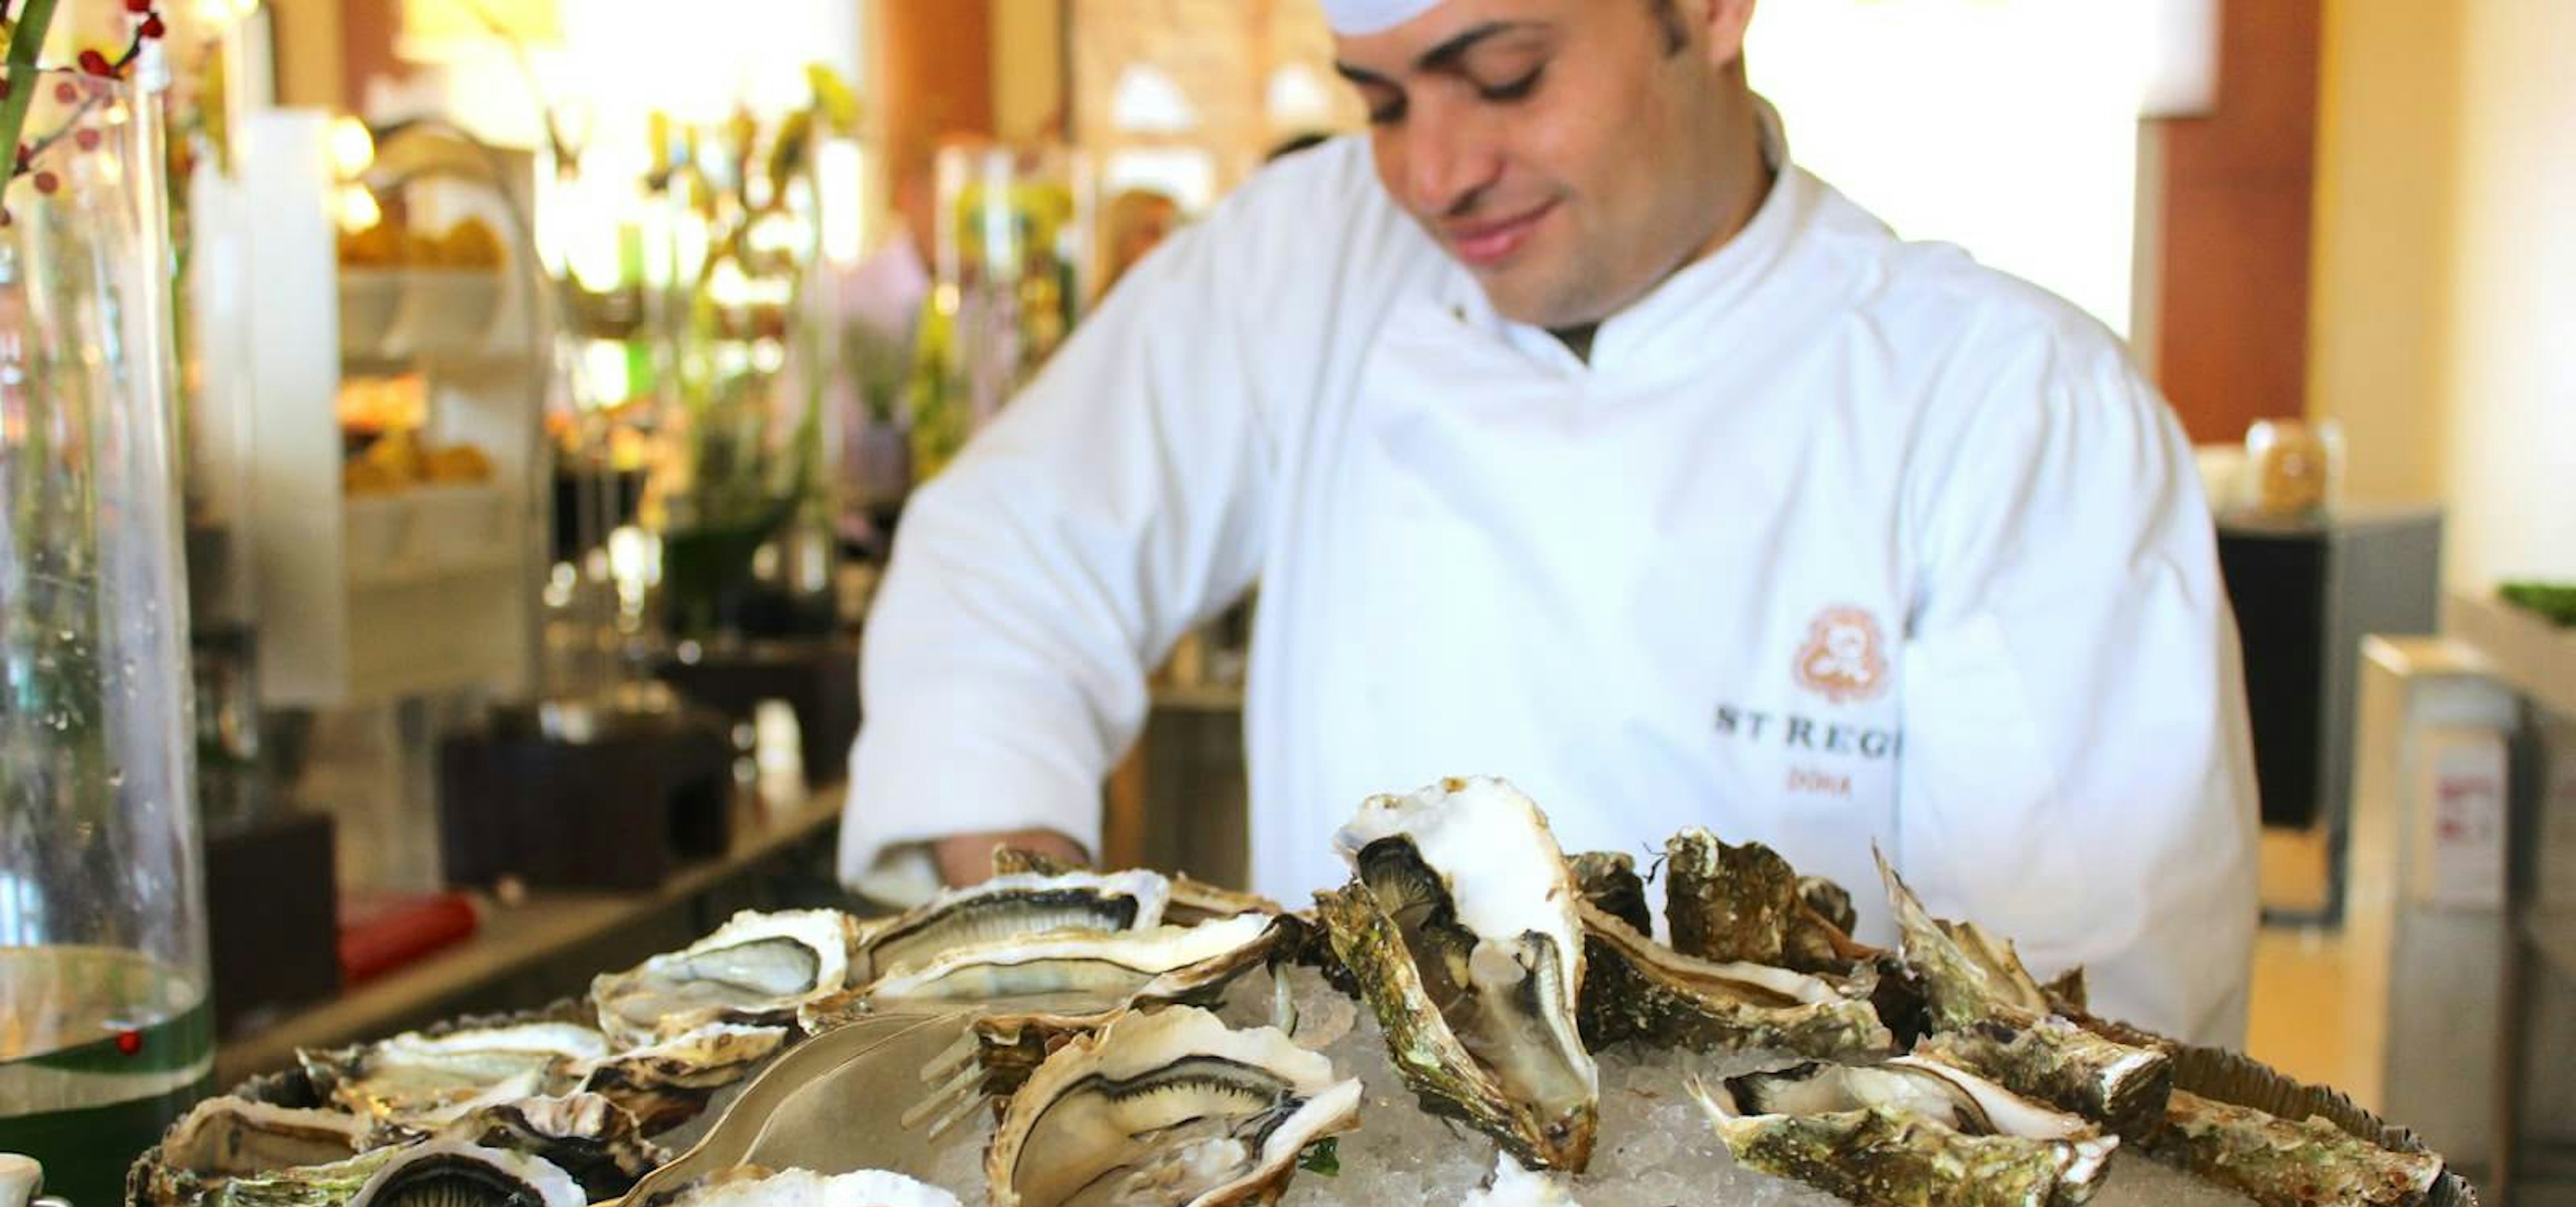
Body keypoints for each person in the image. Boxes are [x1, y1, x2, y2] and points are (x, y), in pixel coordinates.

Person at [841, 0, 2260, 1045]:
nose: (1435, 174)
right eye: (1383, 102)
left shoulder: (2006, 411)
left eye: (1505, 78)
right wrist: (1063, 973)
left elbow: (2091, 1038)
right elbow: (1003, 569)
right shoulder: (1312, 257)